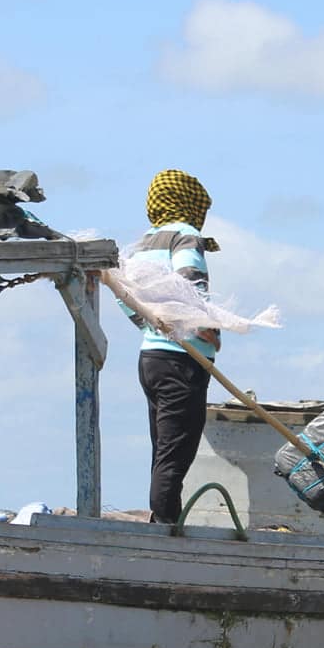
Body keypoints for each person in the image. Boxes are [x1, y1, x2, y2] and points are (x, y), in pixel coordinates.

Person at [124, 169, 220, 525]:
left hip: (151, 358)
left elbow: (127, 298)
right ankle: (164, 532)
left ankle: (164, 520)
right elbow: (189, 281)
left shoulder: (143, 244)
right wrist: (203, 327)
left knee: (163, 450)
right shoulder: (186, 236)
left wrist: (152, 326)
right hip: (182, 361)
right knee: (174, 455)